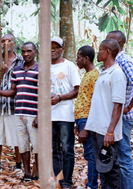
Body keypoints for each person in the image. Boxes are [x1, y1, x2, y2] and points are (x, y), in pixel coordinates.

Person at [85, 39, 126, 189]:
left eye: (100, 49)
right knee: (102, 167)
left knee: (111, 168)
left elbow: (118, 104)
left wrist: (110, 131)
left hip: (106, 131)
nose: (98, 52)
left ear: (108, 51)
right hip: (97, 128)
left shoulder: (117, 73)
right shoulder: (103, 72)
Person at [0, 42, 38, 181]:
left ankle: (36, 173)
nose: (26, 54)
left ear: (35, 52)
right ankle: (27, 173)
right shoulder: (17, 70)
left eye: (29, 51)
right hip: (19, 113)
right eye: (24, 51)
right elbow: (13, 91)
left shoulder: (41, 70)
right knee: (23, 145)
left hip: (34, 114)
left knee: (37, 146)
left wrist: (40, 115)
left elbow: (44, 93)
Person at [0, 34, 23, 174]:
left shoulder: (21, 60)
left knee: (16, 137)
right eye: (3, 41)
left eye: (9, 41)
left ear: (14, 43)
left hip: (15, 106)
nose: (5, 43)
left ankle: (19, 165)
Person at [50, 36, 80, 189]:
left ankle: (67, 181)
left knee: (67, 148)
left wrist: (60, 98)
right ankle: (57, 179)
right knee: (53, 149)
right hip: (49, 115)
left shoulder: (69, 66)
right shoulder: (44, 67)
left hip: (65, 115)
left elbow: (77, 89)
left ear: (62, 49)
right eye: (50, 47)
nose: (52, 49)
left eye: (56, 47)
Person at [106, 30, 133, 189]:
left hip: (123, 118)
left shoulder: (124, 62)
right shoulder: (114, 62)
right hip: (114, 118)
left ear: (118, 43)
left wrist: (129, 106)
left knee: (123, 159)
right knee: (116, 159)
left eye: (109, 40)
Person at [74, 46, 99, 189]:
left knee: (91, 154)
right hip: (82, 119)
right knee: (88, 153)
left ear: (86, 59)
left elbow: (95, 103)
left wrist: (86, 127)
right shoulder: (86, 74)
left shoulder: (94, 75)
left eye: (79, 57)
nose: (77, 60)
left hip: (87, 119)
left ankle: (92, 185)